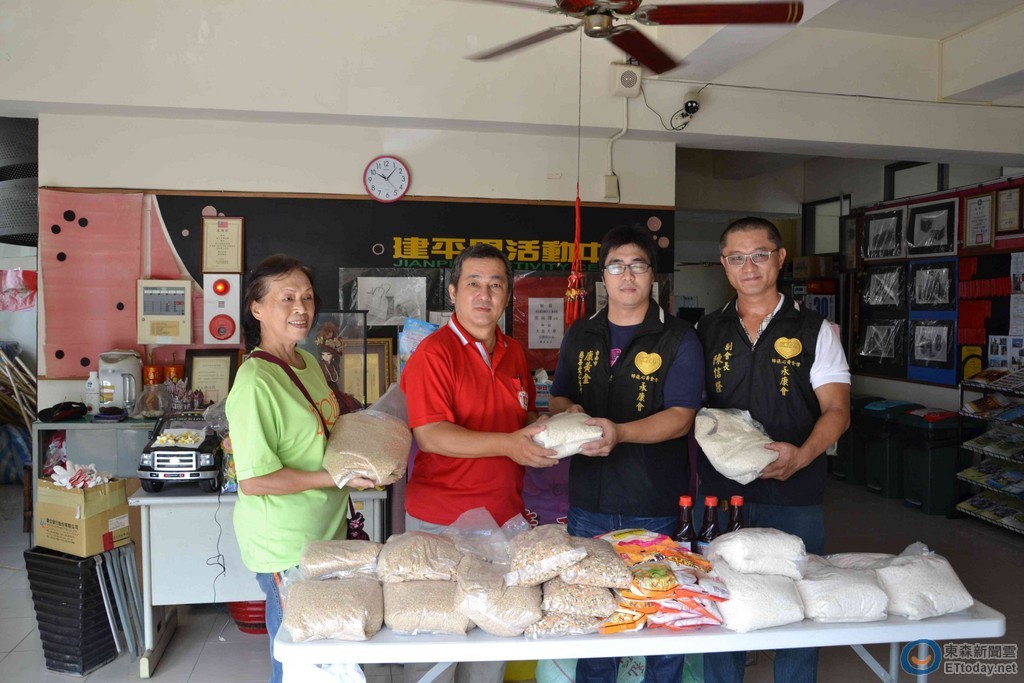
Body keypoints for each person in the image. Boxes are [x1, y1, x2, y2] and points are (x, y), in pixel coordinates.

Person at [697, 217, 851, 683]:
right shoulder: (705, 330)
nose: (749, 266)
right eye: (737, 257)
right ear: (724, 264)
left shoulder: (815, 329)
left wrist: (801, 456)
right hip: (722, 495)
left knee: (799, 603)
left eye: (759, 255)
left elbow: (837, 411)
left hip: (795, 492)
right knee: (720, 600)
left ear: (780, 259)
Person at [548, 225, 705, 683]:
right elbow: (558, 397)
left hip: (653, 500)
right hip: (589, 501)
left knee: (659, 614)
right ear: (603, 276)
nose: (627, 275)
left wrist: (619, 433)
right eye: (617, 266)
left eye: (637, 265)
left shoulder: (678, 337)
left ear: (652, 274)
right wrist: (568, 412)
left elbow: (681, 416)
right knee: (596, 613)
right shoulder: (582, 333)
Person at [400, 243, 558, 683]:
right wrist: (508, 445)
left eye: (495, 285)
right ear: (453, 292)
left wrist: (559, 428)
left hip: (503, 521)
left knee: (493, 641)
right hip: (441, 523)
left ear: (507, 294)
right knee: (435, 648)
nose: (484, 295)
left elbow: (518, 420)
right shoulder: (434, 353)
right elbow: (431, 434)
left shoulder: (514, 353)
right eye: (473, 283)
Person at [226, 255, 375, 683]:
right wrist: (336, 477)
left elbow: (324, 434)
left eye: (307, 298)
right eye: (287, 298)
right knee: (300, 665)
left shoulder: (306, 363)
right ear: (256, 308)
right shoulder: (255, 382)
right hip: (286, 548)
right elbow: (254, 481)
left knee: (325, 655)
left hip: (324, 535)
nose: (301, 308)